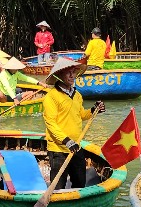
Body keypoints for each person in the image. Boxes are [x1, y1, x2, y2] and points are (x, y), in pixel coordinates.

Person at [42, 58, 106, 189]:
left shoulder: (77, 95)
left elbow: (81, 115)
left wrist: (94, 110)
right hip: (58, 149)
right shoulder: (51, 97)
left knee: (80, 183)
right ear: (59, 74)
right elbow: (50, 123)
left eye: (74, 72)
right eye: (68, 72)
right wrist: (66, 140)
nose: (72, 76)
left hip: (76, 146)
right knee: (58, 187)